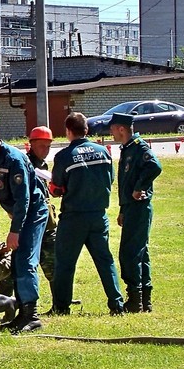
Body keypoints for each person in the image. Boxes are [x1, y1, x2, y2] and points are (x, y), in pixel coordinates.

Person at [0, 124, 49, 332]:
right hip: (20, 212)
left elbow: (24, 199)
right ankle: (21, 312)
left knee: (25, 260)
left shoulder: (13, 160)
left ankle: (31, 316)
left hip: (32, 211)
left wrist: (15, 231)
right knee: (18, 260)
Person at [50, 112, 126, 316]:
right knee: (105, 261)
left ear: (68, 131)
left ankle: (61, 307)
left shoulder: (64, 156)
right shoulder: (103, 152)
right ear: (86, 130)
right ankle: (117, 304)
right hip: (98, 216)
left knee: (65, 263)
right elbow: (110, 180)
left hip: (73, 217)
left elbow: (56, 188)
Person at [111, 112, 163, 313]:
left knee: (130, 253)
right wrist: (123, 209)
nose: (112, 132)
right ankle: (142, 300)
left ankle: (136, 299)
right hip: (130, 208)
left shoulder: (140, 148)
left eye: (113, 128)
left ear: (121, 129)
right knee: (140, 253)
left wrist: (140, 186)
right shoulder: (127, 149)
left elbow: (155, 167)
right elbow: (126, 181)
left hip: (140, 208)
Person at [24, 125, 58, 300]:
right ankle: (9, 303)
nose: (45, 150)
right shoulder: (26, 164)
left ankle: (59, 300)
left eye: (48, 146)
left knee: (53, 262)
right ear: (32, 144)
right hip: (31, 220)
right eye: (42, 146)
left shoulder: (42, 164)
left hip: (48, 221)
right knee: (21, 264)